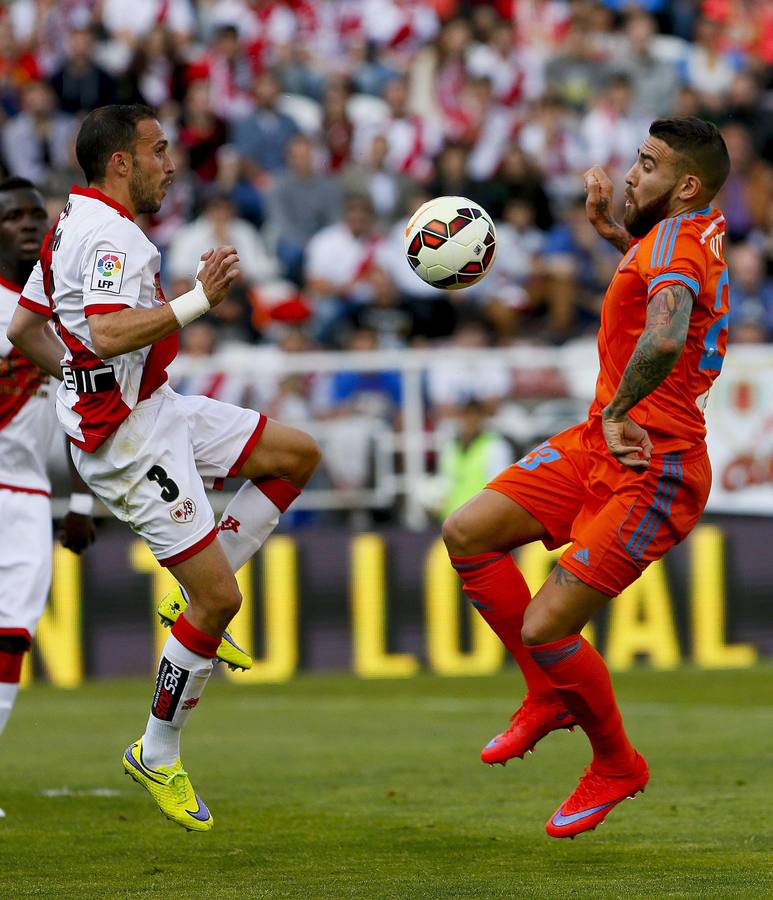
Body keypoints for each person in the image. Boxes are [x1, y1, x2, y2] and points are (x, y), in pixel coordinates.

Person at [8, 105, 321, 833]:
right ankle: (158, 749)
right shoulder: (111, 235)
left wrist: (73, 380)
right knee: (220, 603)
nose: (169, 163)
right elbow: (113, 329)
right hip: (128, 444)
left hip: (154, 407)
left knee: (296, 454)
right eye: (156, 150)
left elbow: (26, 326)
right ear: (119, 162)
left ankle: (191, 607)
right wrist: (197, 302)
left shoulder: (69, 224)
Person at [442, 117, 731, 839]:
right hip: (601, 439)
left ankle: (616, 763)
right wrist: (610, 231)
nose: (630, 174)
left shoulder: (673, 243)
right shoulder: (682, 236)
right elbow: (656, 287)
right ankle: (547, 693)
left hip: (649, 462)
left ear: (684, 186)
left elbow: (665, 333)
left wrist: (621, 409)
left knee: (545, 624)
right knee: (468, 533)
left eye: (646, 164)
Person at [0, 177, 96, 816]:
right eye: (15, 216)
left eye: (40, 214)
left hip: (28, 491)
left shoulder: (58, 311)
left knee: (11, 635)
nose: (31, 224)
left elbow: (84, 404)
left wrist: (82, 501)